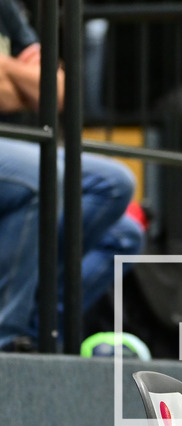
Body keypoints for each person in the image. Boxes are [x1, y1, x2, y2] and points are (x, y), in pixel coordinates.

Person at [0, 0, 144, 351]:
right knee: (40, 176)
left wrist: (4, 67)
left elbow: (58, 90)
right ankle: (6, 338)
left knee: (119, 207)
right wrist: (24, 80)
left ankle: (37, 331)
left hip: (16, 148)